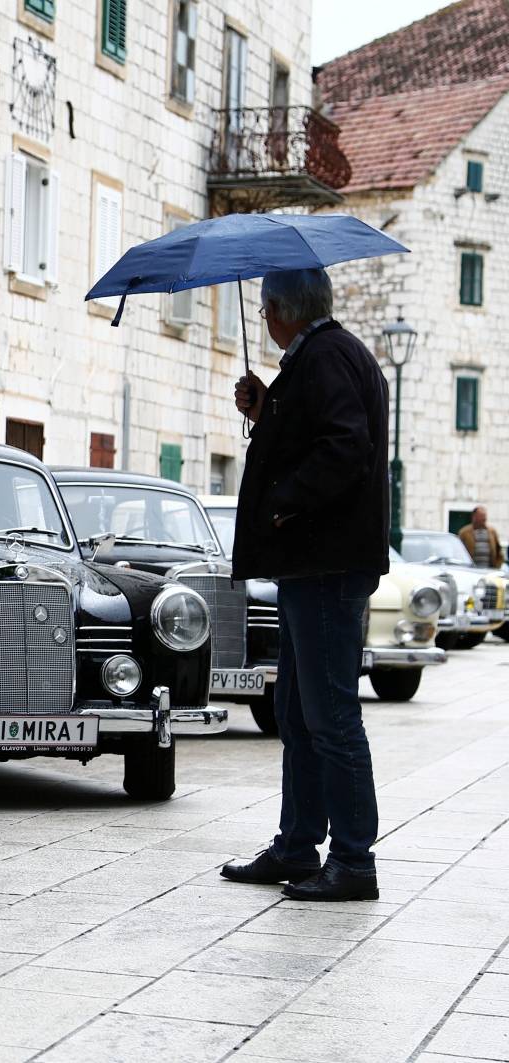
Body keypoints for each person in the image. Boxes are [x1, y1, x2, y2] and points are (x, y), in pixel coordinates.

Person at [219, 268, 390, 902]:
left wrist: (285, 501)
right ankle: (297, 845)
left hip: (325, 565)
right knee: (297, 711)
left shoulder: (326, 357)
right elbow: (316, 435)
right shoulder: (322, 358)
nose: (262, 320)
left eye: (265, 310)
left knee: (330, 715)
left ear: (284, 309)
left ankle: (352, 860)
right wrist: (267, 409)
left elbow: (345, 447)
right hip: (311, 567)